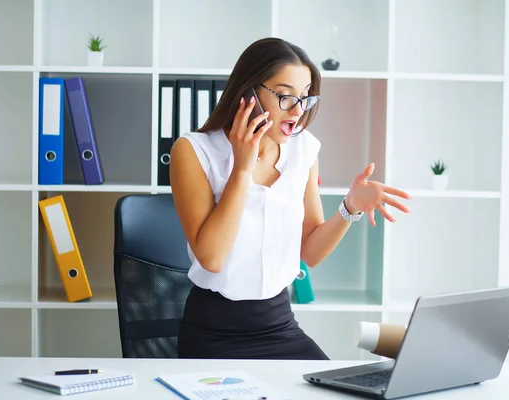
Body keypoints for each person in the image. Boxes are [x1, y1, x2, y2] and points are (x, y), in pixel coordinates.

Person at [169, 37, 411, 360]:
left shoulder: (304, 150)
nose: (297, 111)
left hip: (279, 327)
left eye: (305, 97)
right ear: (248, 91)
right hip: (213, 334)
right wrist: (242, 169)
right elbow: (212, 258)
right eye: (285, 96)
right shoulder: (194, 152)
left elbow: (309, 252)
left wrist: (350, 205)